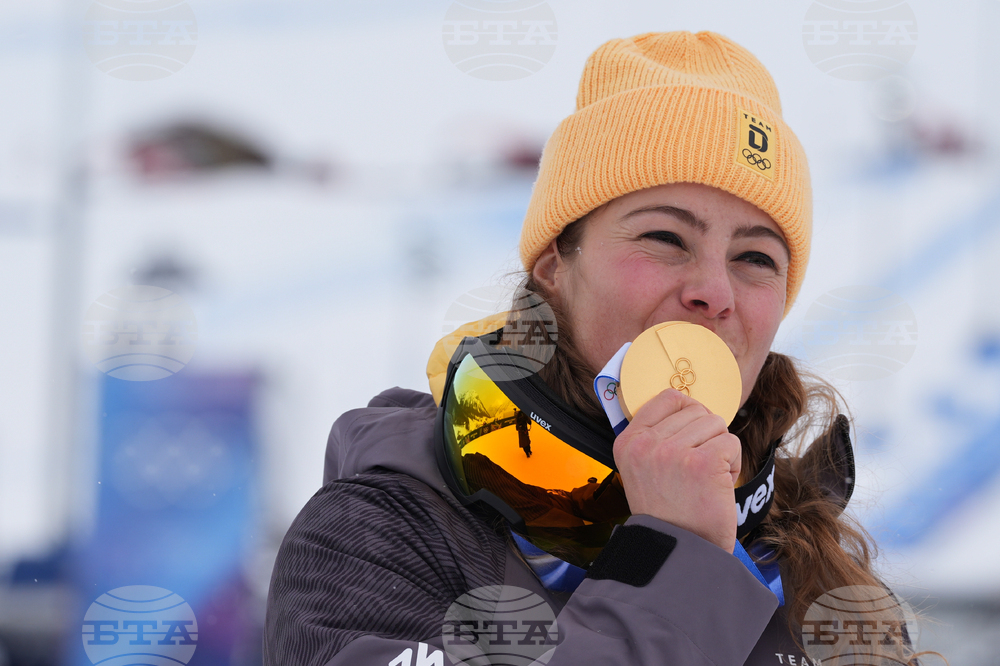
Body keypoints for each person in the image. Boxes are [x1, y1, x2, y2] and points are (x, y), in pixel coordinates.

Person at [264, 31, 927, 665]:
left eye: (756, 256)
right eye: (666, 238)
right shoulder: (381, 533)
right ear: (556, 265)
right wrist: (679, 557)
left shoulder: (816, 571)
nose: (713, 291)